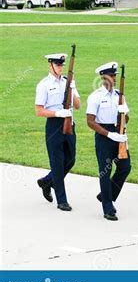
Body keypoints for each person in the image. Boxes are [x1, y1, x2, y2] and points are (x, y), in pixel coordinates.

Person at [86, 62, 131, 221]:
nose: (114, 78)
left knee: (125, 167)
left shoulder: (120, 95)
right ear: (103, 77)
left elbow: (126, 119)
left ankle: (106, 195)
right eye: (111, 76)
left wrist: (124, 114)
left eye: (115, 75)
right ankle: (107, 207)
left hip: (119, 134)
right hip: (104, 137)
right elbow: (90, 121)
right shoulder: (96, 97)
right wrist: (109, 135)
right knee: (105, 171)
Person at [35, 53, 80, 211]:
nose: (60, 67)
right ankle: (62, 200)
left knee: (71, 159)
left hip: (69, 124)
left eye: (62, 65)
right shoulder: (44, 85)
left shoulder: (68, 82)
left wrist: (73, 90)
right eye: (58, 64)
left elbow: (78, 105)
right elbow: (39, 111)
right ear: (50, 65)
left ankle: (47, 181)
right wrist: (57, 113)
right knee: (57, 162)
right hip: (54, 125)